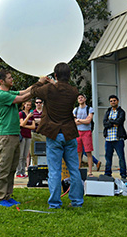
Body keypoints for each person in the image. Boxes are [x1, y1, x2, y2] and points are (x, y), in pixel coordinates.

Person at [31, 63, 84, 209]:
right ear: (69, 75)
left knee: (54, 171)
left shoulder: (49, 89)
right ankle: (77, 202)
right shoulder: (73, 91)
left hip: (54, 134)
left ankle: (54, 203)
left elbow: (35, 91)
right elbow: (61, 90)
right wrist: (53, 83)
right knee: (74, 170)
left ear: (55, 75)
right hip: (69, 134)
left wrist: (41, 81)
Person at [0, 69, 32, 206]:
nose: (12, 80)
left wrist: (40, 83)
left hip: (14, 134)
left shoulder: (9, 92)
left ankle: (7, 196)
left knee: (11, 168)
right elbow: (23, 98)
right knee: (3, 167)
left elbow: (25, 91)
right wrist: (40, 90)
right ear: (2, 81)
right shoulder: (2, 95)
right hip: (5, 135)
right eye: (9, 78)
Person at [103, 95, 127, 179]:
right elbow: (104, 123)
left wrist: (110, 122)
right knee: (108, 158)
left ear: (117, 101)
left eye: (114, 100)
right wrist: (113, 123)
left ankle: (123, 174)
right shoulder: (107, 112)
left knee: (121, 157)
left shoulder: (121, 112)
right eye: (111, 101)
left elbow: (119, 121)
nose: (113, 102)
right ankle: (107, 174)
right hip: (108, 139)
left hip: (118, 138)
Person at [73, 93, 96, 177]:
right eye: (79, 98)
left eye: (82, 97)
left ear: (85, 99)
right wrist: (82, 120)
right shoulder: (75, 109)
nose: (80, 99)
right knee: (78, 152)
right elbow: (73, 122)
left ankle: (90, 172)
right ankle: (78, 170)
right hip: (78, 132)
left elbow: (88, 121)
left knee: (88, 152)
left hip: (86, 132)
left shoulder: (89, 109)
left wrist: (78, 120)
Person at [17, 100, 36, 178]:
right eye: (27, 105)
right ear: (24, 105)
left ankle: (23, 171)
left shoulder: (32, 115)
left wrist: (25, 126)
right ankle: (18, 172)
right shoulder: (21, 114)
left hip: (28, 135)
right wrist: (27, 117)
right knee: (20, 155)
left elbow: (33, 126)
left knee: (25, 155)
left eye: (30, 105)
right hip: (22, 135)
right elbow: (21, 124)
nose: (28, 106)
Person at [30, 98, 47, 166]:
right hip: (34, 133)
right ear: (35, 104)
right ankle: (35, 165)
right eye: (37, 102)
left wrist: (39, 121)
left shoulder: (45, 112)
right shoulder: (32, 112)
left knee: (44, 150)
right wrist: (38, 121)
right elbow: (30, 121)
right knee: (33, 151)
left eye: (40, 102)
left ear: (42, 103)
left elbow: (46, 121)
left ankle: (44, 165)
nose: (38, 104)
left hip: (43, 133)